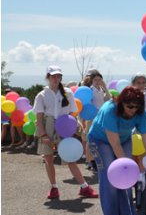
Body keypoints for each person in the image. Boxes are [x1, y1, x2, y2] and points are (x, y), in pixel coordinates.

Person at [88, 86, 146, 215]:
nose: (133, 110)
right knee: (110, 179)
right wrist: (128, 168)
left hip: (124, 139)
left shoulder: (140, 114)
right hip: (100, 140)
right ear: (121, 103)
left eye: (136, 107)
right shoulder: (110, 110)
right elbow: (114, 144)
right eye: (129, 106)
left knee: (126, 182)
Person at [34, 66, 99, 200]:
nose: (56, 79)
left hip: (64, 126)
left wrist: (71, 127)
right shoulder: (41, 95)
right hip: (48, 126)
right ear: (48, 77)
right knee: (49, 158)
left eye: (58, 76)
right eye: (53, 76)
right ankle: (53, 188)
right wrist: (44, 135)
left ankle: (84, 187)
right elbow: (39, 119)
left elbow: (72, 113)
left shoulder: (68, 92)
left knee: (70, 158)